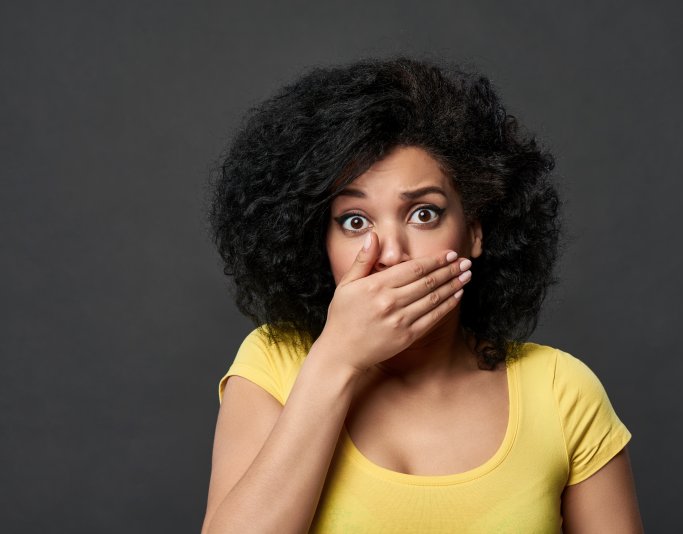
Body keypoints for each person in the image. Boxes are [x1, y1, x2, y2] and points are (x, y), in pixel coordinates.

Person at [201, 57, 643, 533]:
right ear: (319, 243)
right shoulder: (274, 366)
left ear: (474, 232)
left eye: (423, 214)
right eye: (355, 221)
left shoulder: (560, 392)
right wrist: (336, 360)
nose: (391, 254)